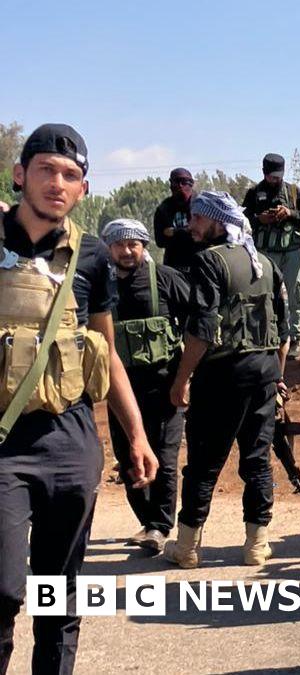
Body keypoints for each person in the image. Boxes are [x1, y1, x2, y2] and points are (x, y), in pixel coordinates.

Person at [0, 123, 158, 675]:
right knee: (2, 590)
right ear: (20, 175)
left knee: (59, 598)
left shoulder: (92, 257)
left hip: (71, 441)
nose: (57, 182)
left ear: (83, 190)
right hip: (3, 446)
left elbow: (107, 353)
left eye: (70, 175)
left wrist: (136, 434)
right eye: (45, 169)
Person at [163, 190, 288, 569]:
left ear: (218, 222)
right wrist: (277, 376)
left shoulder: (208, 262)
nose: (192, 225)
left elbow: (202, 328)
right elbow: (283, 329)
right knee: (257, 459)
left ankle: (186, 548)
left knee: (204, 460)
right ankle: (255, 545)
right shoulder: (265, 263)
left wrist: (182, 378)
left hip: (222, 375)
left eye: (198, 219)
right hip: (264, 373)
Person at [103, 218, 191, 554]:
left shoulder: (165, 280)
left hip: (164, 387)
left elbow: (199, 319)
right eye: (119, 245)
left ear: (144, 247)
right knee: (128, 459)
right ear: (108, 248)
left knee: (165, 459)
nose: (126, 252)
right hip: (120, 392)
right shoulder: (100, 286)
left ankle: (159, 526)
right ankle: (147, 519)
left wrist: (186, 376)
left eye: (133, 245)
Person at [243, 153, 300, 355]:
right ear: (264, 173)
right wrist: (260, 219)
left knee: (295, 294)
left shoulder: (294, 192)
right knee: (263, 294)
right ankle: (264, 337)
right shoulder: (253, 193)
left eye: (278, 176)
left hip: (291, 251)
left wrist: (290, 213)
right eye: (271, 176)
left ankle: (295, 338)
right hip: (265, 253)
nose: (275, 180)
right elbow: (242, 221)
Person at [153, 167, 205, 274]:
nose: (180, 186)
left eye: (184, 182)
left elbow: (204, 234)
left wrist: (175, 232)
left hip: (201, 263)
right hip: (174, 266)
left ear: (191, 183)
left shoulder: (203, 205)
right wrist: (189, 232)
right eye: (176, 182)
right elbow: (160, 241)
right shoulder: (164, 209)